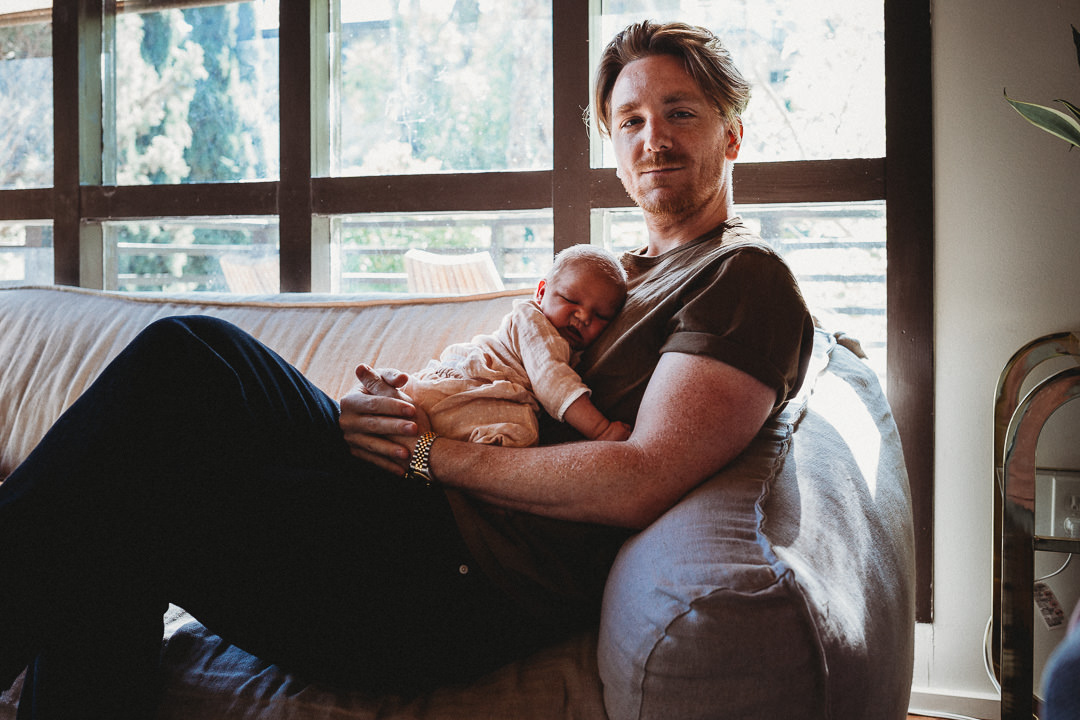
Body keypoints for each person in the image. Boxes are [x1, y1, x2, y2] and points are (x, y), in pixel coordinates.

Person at [0, 20, 814, 719]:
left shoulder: (743, 279)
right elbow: (499, 378)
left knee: (186, 370)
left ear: (731, 135)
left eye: (680, 114)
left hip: (441, 579)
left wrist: (423, 455)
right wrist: (383, 415)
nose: (653, 139)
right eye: (631, 119)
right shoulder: (622, 275)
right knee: (137, 473)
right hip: (399, 517)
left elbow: (639, 477)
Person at [402, 244, 630, 448]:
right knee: (522, 432)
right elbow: (552, 380)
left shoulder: (576, 348)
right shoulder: (533, 321)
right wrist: (602, 430)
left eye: (600, 315)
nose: (583, 316)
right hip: (469, 384)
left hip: (486, 398)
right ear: (541, 293)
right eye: (571, 300)